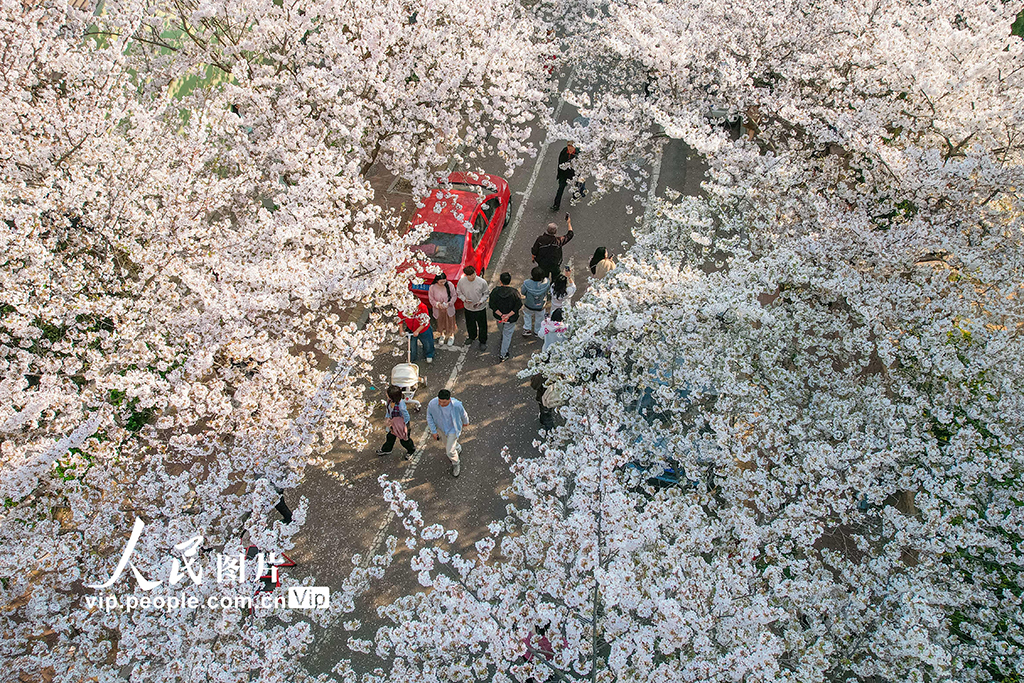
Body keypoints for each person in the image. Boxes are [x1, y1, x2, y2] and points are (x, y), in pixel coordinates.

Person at [426, 389, 469, 477]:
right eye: (440, 401)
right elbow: (429, 417)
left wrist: (466, 422)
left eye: (444, 402)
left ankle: (456, 463)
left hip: (453, 429)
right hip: (442, 429)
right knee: (448, 444)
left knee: (449, 451)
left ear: (449, 399)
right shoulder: (432, 404)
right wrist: (433, 431)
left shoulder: (456, 405)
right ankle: (457, 447)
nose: (441, 404)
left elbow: (463, 414)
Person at [488, 272, 522, 362]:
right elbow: (518, 305)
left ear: (500, 281)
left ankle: (502, 338)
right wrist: (507, 315)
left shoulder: (495, 291)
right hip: (511, 318)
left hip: (499, 317)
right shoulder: (514, 292)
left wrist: (501, 315)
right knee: (507, 335)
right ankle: (503, 354)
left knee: (502, 329)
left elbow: (492, 304)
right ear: (510, 281)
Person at [376, 385, 416, 459]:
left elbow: (406, 416)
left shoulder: (401, 405)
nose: (386, 394)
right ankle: (387, 449)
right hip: (393, 424)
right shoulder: (390, 401)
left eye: (387, 393)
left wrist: (403, 426)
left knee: (404, 440)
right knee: (390, 437)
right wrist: (387, 418)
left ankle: (411, 450)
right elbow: (388, 411)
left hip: (401, 425)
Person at [456, 265, 489, 352]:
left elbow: (486, 294)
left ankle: (482, 341)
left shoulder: (482, 282)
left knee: (482, 325)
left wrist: (481, 301)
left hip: (480, 308)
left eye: (473, 274)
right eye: (470, 275)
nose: (472, 276)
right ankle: (472, 336)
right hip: (468, 307)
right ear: (466, 275)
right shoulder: (461, 282)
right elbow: (459, 292)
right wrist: (464, 299)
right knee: (470, 323)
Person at [531, 216, 574, 281]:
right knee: (556, 277)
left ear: (547, 230)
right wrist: (569, 223)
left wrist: (533, 257)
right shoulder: (559, 241)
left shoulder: (540, 239)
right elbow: (570, 234)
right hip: (555, 264)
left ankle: (545, 285)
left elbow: (534, 250)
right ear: (555, 232)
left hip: (543, 263)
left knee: (544, 277)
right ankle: (554, 286)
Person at [398, 299, 434, 364]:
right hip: (411, 329)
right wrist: (401, 329)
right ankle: (412, 358)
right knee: (411, 346)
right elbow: (400, 318)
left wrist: (417, 331)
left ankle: (429, 354)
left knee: (428, 343)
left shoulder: (422, 307)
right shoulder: (404, 307)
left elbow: (425, 321)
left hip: (424, 329)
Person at [520, 266, 550, 338]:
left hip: (529, 304)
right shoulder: (546, 282)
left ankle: (527, 329)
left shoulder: (527, 283)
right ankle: (537, 331)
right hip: (541, 305)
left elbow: (523, 292)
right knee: (540, 317)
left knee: (527, 315)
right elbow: (548, 292)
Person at [428, 273, 458, 345]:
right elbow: (431, 299)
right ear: (437, 281)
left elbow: (454, 296)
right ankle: (442, 335)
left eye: (444, 281)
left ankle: (451, 335)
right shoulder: (432, 287)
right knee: (440, 323)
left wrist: (449, 303)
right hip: (438, 309)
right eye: (441, 282)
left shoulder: (449, 285)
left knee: (451, 322)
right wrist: (437, 304)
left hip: (448, 308)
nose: (443, 283)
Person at [550, 142, 580, 211]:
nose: (570, 148)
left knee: (575, 187)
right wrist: (559, 174)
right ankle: (556, 205)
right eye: (568, 146)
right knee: (560, 189)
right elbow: (560, 162)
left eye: (571, 146)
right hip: (564, 174)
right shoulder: (564, 151)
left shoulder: (578, 155)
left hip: (573, 175)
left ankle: (575, 196)